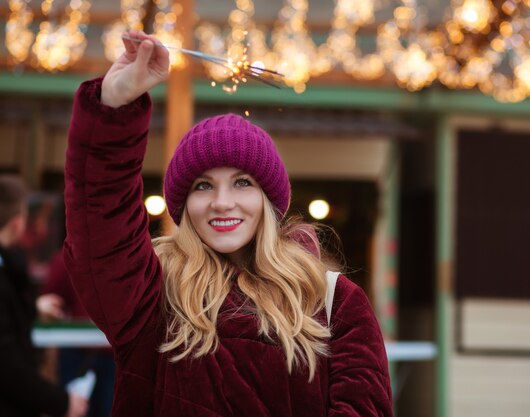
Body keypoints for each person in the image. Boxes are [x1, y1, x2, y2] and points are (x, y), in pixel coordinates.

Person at [63, 30, 393, 417]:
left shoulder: (335, 301)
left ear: (268, 201)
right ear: (184, 206)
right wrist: (113, 108)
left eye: (242, 183)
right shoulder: (150, 296)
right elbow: (100, 221)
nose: (222, 202)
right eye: (203, 186)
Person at [0, 175, 89, 417]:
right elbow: (7, 366)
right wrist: (60, 402)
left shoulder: (10, 272)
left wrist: (33, 308)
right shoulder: (61, 261)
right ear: (18, 222)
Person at [38, 250, 116, 417]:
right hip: (76, 355)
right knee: (75, 408)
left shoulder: (124, 257)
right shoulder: (67, 257)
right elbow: (51, 299)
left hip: (112, 358)